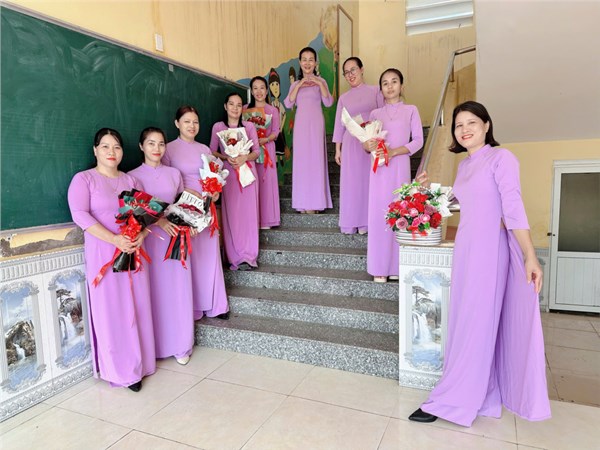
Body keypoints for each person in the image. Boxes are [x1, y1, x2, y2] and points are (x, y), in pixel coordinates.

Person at [409, 101, 551, 427]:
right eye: (459, 125)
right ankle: (483, 394)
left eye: (472, 122)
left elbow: (513, 206)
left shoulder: (502, 158)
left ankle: (453, 400)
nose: (464, 129)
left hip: (489, 251)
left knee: (476, 323)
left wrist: (530, 255)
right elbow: (455, 204)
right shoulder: (464, 167)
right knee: (465, 322)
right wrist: (425, 191)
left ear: (487, 125)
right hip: (466, 250)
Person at [67, 128, 155, 392]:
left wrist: (141, 236)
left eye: (116, 147)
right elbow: (80, 214)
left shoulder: (132, 181)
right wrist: (114, 239)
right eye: (105, 146)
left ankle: (143, 363)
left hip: (133, 252)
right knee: (112, 310)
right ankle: (122, 370)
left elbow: (146, 216)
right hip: (104, 253)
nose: (111, 152)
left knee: (137, 305)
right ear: (95, 150)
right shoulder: (84, 179)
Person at [128, 127, 194, 365]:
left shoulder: (175, 174)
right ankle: (155, 346)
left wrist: (190, 222)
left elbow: (181, 204)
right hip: (149, 241)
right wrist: (159, 221)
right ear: (141, 146)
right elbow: (135, 211)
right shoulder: (132, 177)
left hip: (175, 239)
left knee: (177, 290)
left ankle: (181, 345)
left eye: (161, 144)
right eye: (151, 143)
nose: (157, 149)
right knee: (154, 292)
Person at [163, 106, 229, 320]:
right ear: (177, 123)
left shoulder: (205, 149)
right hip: (184, 210)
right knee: (191, 257)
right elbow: (166, 180)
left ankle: (216, 305)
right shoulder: (168, 149)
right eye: (187, 121)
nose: (192, 126)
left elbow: (213, 177)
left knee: (210, 257)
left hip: (206, 208)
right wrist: (185, 195)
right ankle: (194, 307)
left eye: (195, 122)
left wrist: (215, 192)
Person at [364, 69, 423, 282]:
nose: (390, 86)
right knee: (379, 215)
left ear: (402, 85)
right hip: (379, 169)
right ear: (381, 89)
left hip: (399, 167)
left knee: (399, 213)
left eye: (394, 81)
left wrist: (394, 152)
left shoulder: (411, 110)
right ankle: (379, 267)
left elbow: (418, 141)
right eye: (385, 83)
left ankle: (397, 267)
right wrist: (367, 145)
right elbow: (367, 144)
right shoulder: (374, 114)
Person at [210, 93, 261, 271]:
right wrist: (227, 157)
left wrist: (244, 157)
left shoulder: (249, 127)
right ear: (225, 106)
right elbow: (212, 151)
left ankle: (250, 256)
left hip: (248, 174)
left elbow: (257, 151)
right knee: (232, 215)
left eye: (239, 105)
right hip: (229, 175)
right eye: (231, 104)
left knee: (249, 214)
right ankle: (235, 257)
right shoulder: (218, 127)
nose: (235, 108)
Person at [333, 56, 383, 234]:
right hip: (350, 144)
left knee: (368, 182)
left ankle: (367, 222)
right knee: (351, 184)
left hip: (370, 143)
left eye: (353, 70)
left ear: (362, 69)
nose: (350, 74)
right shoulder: (343, 98)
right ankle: (351, 221)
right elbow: (339, 125)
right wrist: (337, 149)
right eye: (346, 72)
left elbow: (382, 115)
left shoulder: (376, 91)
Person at [284, 46, 334, 214]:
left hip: (316, 124)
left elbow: (328, 102)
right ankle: (302, 203)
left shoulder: (322, 82)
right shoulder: (295, 84)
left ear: (315, 63)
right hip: (301, 126)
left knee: (316, 161)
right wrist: (300, 85)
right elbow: (288, 103)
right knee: (302, 163)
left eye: (311, 60)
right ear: (300, 62)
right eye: (304, 60)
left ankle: (316, 203)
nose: (307, 63)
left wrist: (319, 83)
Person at [243, 76, 281, 229]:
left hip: (267, 149)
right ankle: (254, 220)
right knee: (252, 184)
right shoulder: (245, 109)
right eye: (255, 88)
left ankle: (267, 220)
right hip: (250, 151)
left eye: (262, 88)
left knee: (266, 184)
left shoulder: (273, 110)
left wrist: (266, 139)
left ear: (266, 91)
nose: (259, 91)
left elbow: (276, 131)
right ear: (252, 91)